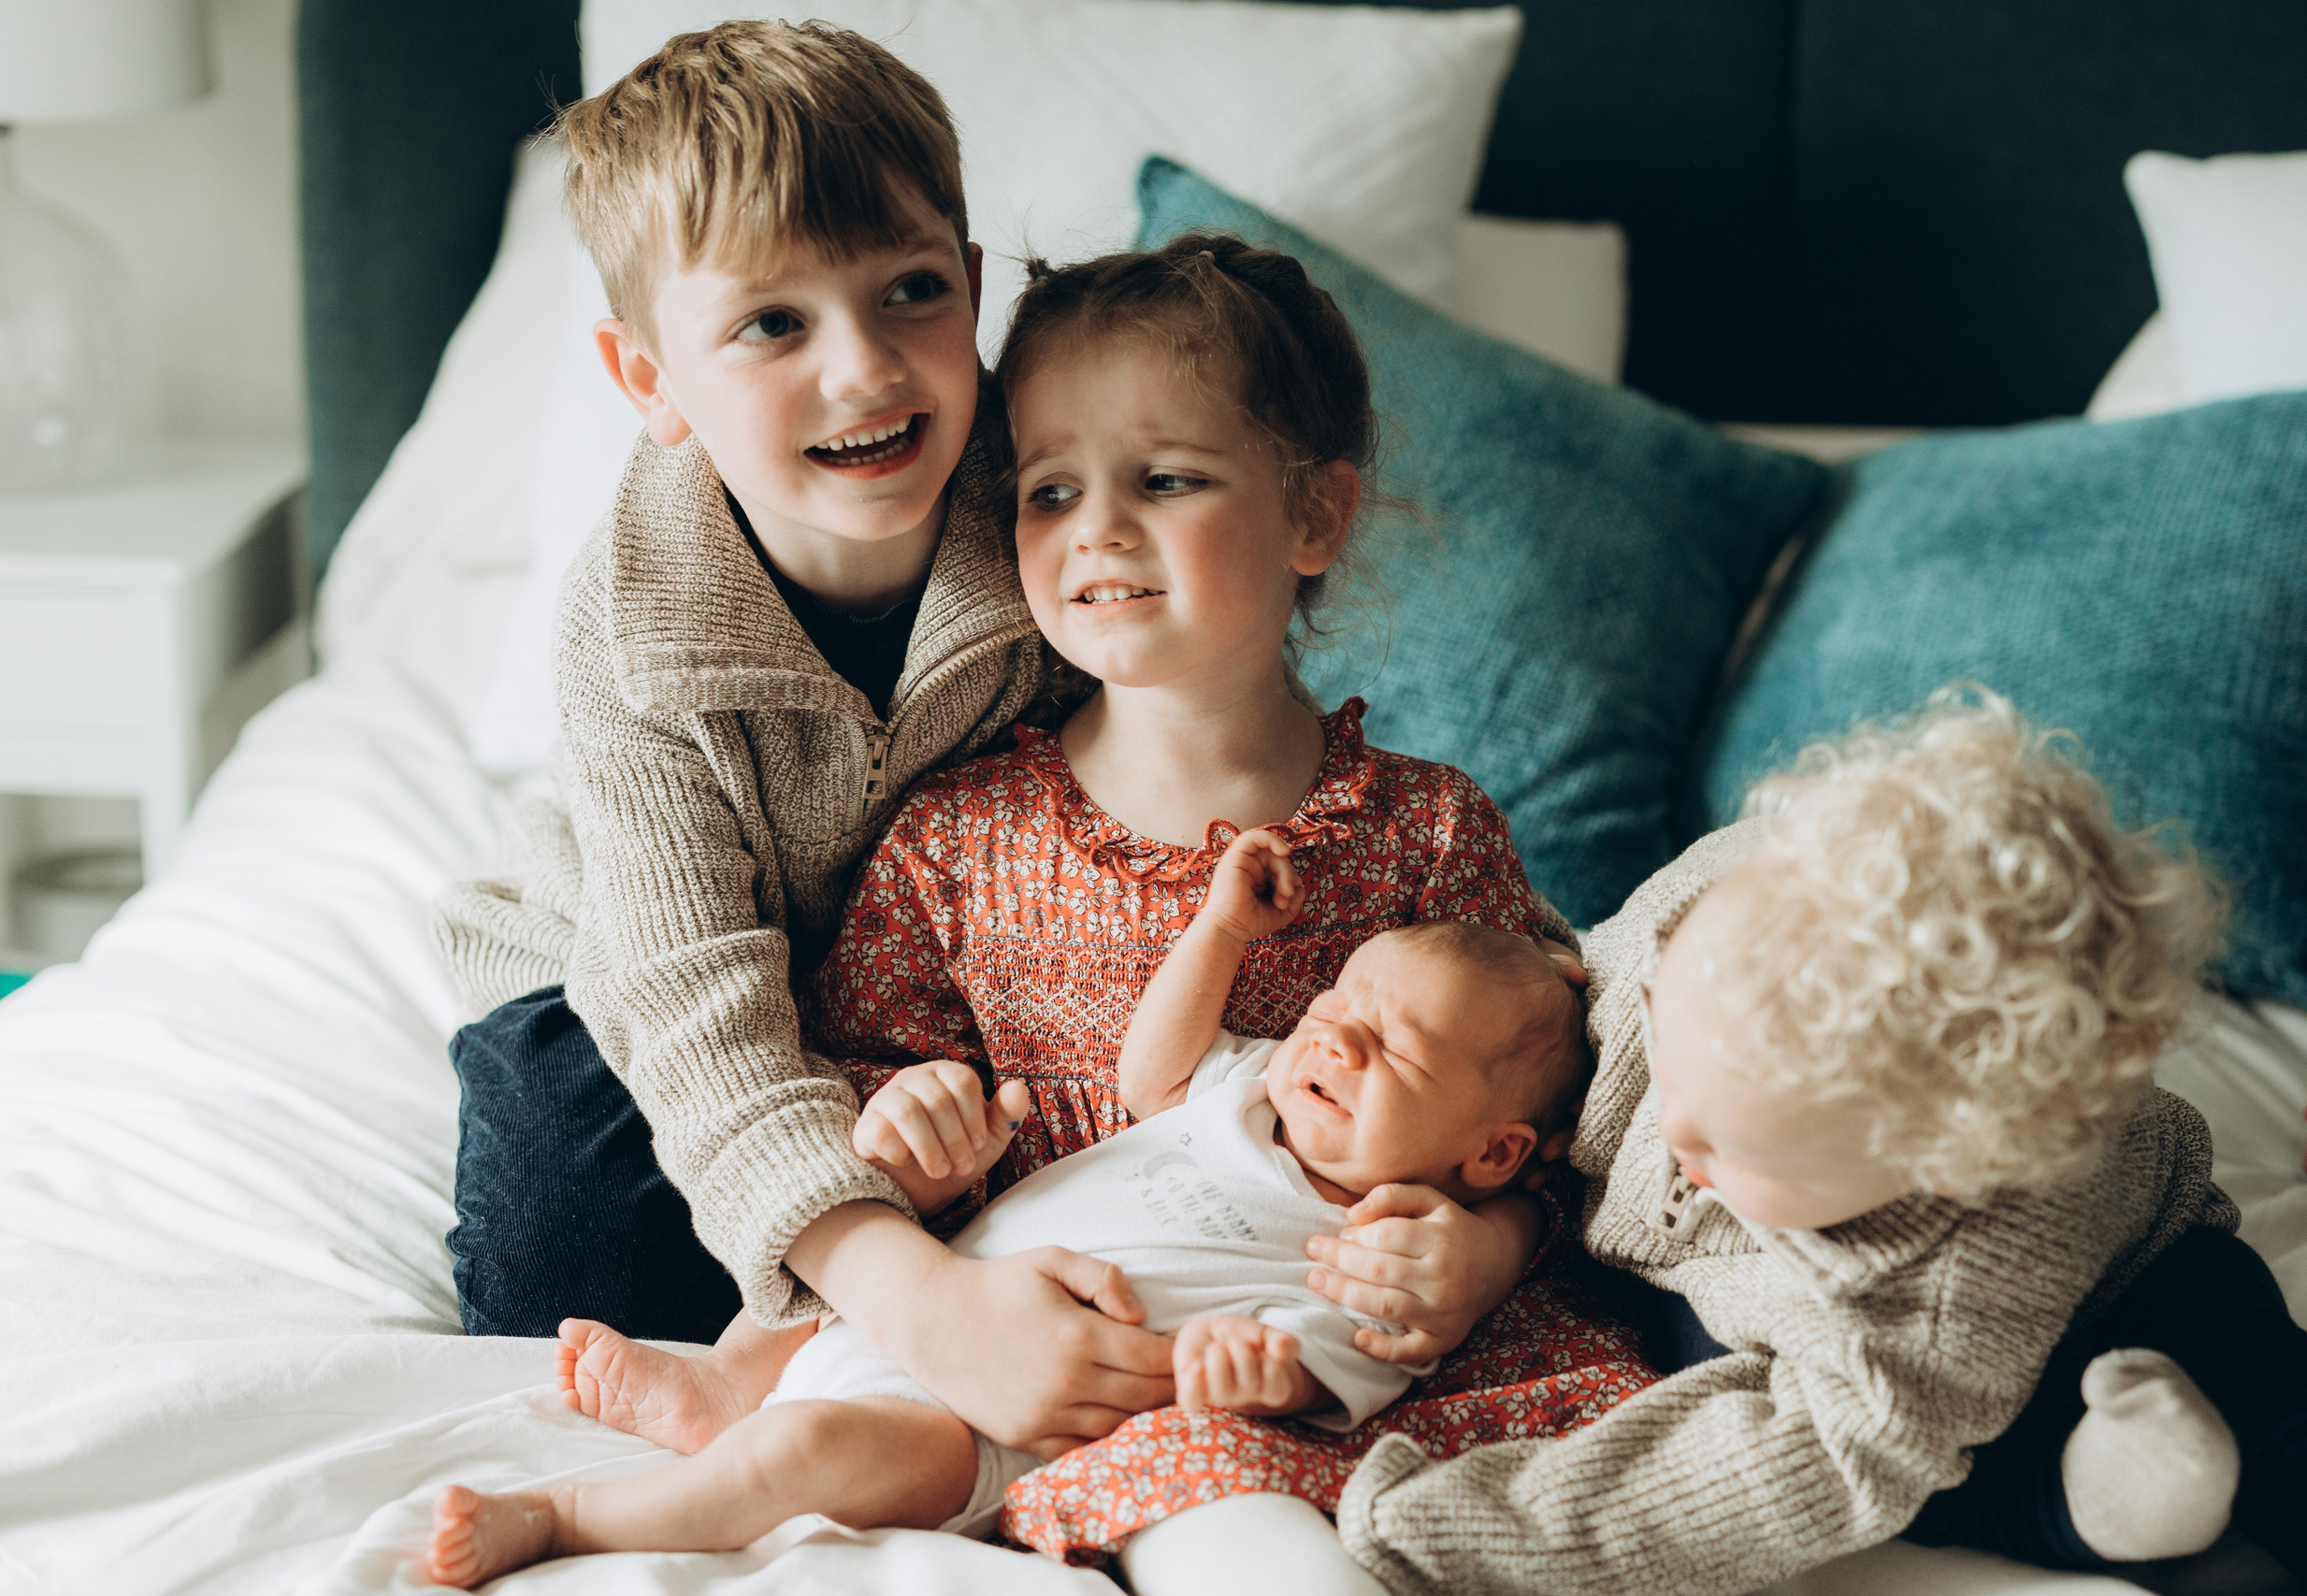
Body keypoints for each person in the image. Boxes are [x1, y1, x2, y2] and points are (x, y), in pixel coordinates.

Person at [526, 237, 1653, 1574]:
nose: (1098, 529)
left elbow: (1548, 1098)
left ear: (1314, 515)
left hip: (1298, 1346)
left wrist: (1484, 1245)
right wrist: (910, 1129)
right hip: (1023, 1334)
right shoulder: (960, 831)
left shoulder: (1426, 827)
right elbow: (857, 1071)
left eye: (1165, 479)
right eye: (1050, 488)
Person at [429, 22, 1185, 1454]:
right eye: (773, 323)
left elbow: (1141, 790)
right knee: (564, 1257)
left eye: (909, 290)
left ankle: (862, 1258)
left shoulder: (1047, 515)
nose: (865, 370)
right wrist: (923, 1302)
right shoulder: (630, 617)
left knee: (1129, 1151)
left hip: (935, 998)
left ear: (973, 291)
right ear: (648, 378)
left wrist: (938, 1098)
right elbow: (691, 993)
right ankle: (832, 1313)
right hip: (635, 970)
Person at [423, 829, 1600, 1585]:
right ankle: (724, 1383)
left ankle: (578, 1520)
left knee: (812, 1448)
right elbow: (1154, 1064)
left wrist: (1257, 1372)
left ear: (1491, 1153)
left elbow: (1330, 1365)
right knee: (848, 1207)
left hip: (981, 1429)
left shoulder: (1384, 1256)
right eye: (1340, 1000)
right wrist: (1222, 929)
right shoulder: (1251, 1091)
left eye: (1392, 1047)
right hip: (932, 1288)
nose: (1335, 1033)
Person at [1335, 690, 2307, 1594]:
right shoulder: (1725, 909)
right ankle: (2115, 1490)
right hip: (1763, 1279)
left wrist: (1445, 1532)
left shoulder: (1920, 1306)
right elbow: (1559, 986)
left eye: (1736, 1150)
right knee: (1681, 1330)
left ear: (1931, 1162)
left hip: (2125, 1269)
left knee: (2206, 1374)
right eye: (1674, 1063)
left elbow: (1754, 1475)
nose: (1671, 1142)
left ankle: (2082, 1504)